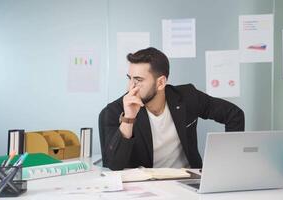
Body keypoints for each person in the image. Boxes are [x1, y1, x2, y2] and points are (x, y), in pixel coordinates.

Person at [99, 47, 244, 170]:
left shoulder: (187, 97)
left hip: (188, 184)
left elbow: (234, 115)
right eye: (129, 78)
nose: (130, 87)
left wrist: (229, 162)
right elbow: (113, 165)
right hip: (144, 189)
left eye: (138, 80)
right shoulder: (113, 112)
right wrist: (128, 119)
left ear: (161, 82)